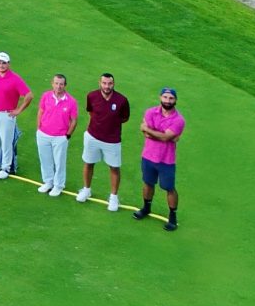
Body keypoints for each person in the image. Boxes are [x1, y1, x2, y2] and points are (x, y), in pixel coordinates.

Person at [135, 88, 184, 231]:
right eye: (165, 97)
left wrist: (152, 131)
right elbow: (148, 134)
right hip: (148, 156)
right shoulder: (150, 112)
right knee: (148, 183)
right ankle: (146, 208)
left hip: (166, 160)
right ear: (160, 97)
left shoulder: (179, 120)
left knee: (169, 188)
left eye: (171, 98)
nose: (167, 101)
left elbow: (161, 136)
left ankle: (173, 217)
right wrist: (165, 136)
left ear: (175, 100)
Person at [78, 73, 129, 210]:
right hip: (92, 137)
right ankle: (86, 190)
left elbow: (124, 118)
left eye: (110, 83)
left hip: (112, 141)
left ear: (114, 84)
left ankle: (113, 197)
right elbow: (91, 111)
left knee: (114, 168)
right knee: (88, 163)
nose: (107, 86)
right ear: (99, 83)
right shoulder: (91, 96)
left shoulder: (122, 100)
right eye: (104, 83)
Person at [0, 53, 31, 180]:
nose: (1, 65)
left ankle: (6, 167)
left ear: (8, 64)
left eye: (4, 63)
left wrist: (18, 111)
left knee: (6, 142)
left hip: (6, 115)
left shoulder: (15, 79)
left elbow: (29, 95)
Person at [35, 74, 78, 197]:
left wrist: (67, 135)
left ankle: (58, 185)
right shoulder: (46, 96)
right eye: (56, 83)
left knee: (59, 162)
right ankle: (48, 182)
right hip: (43, 134)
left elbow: (74, 120)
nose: (58, 86)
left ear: (65, 85)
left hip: (60, 137)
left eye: (61, 84)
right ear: (52, 84)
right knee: (45, 159)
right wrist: (39, 128)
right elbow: (40, 112)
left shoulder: (71, 101)